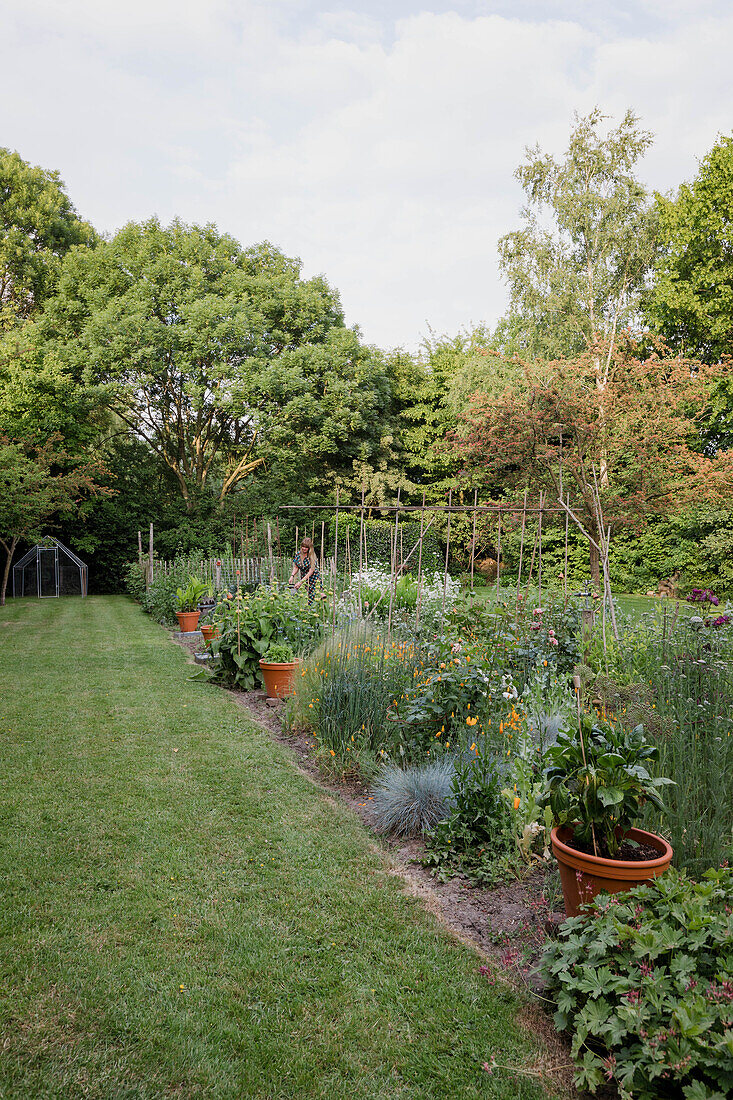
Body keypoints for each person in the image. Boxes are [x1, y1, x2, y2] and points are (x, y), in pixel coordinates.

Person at [289, 537, 320, 603]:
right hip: (304, 577)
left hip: (313, 578)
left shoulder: (311, 556)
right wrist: (292, 575)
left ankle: (317, 610)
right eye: (303, 546)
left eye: (306, 547)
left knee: (315, 595)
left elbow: (311, 571)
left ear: (309, 548)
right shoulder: (298, 554)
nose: (304, 548)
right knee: (308, 596)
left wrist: (300, 582)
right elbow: (296, 567)